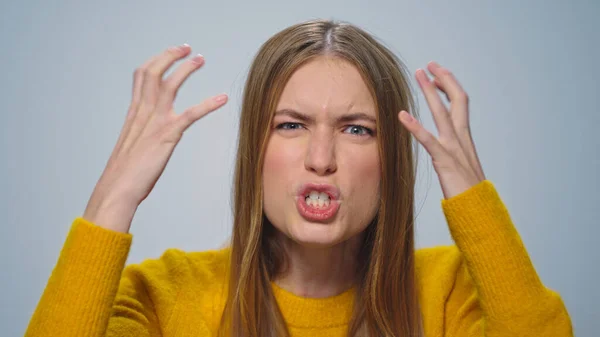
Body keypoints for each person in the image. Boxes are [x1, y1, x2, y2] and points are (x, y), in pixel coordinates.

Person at [25, 19, 573, 337]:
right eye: (290, 125)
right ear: (254, 153)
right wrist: (111, 202)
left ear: (393, 160)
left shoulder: (449, 292)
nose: (320, 157)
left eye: (357, 129)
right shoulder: (164, 298)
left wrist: (473, 199)